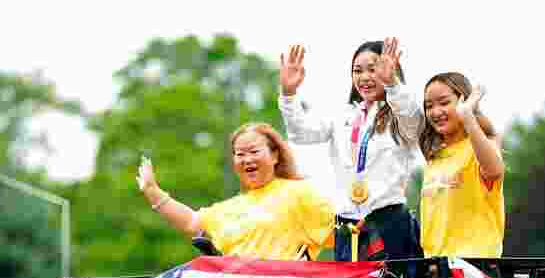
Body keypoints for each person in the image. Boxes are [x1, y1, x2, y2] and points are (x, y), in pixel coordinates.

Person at [279, 38, 424, 262]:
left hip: (388, 223)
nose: (364, 77)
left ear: (388, 69)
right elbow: (300, 132)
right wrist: (288, 94)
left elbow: (414, 119)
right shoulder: (342, 116)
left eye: (372, 69)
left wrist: (393, 85)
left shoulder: (400, 116)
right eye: (358, 70)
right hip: (347, 226)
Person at [136, 123, 334, 261]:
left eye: (254, 152)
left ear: (275, 155)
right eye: (240, 154)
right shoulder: (232, 207)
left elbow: (346, 236)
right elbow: (191, 222)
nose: (247, 159)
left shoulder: (299, 193)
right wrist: (153, 191)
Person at [418, 73, 505, 258]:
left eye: (443, 103)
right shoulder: (434, 156)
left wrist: (467, 116)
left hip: (474, 269)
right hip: (436, 268)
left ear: (463, 100)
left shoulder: (482, 144)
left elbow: (494, 170)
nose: (435, 112)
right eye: (429, 106)